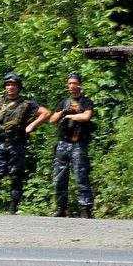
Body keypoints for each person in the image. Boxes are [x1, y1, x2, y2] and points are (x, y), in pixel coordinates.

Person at [0, 71, 48, 215]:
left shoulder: (26, 104)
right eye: (8, 85)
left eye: (13, 85)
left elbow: (45, 113)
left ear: (18, 87)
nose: (10, 87)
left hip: (16, 144)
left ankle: (13, 207)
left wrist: (31, 126)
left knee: (16, 176)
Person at [49, 72, 96, 219]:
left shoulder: (86, 102)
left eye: (74, 83)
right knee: (60, 177)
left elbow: (86, 116)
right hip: (63, 143)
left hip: (78, 144)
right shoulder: (64, 102)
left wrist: (71, 116)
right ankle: (60, 208)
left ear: (79, 84)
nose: (72, 86)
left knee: (81, 176)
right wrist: (63, 112)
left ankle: (85, 208)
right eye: (69, 83)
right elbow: (52, 119)